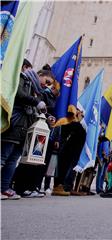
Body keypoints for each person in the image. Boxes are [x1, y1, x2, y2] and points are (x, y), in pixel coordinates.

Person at [1, 59, 47, 200]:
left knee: (12, 159)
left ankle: (4, 188)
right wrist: (36, 102)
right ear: (25, 68)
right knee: (3, 157)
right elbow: (19, 94)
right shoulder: (20, 79)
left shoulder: (33, 87)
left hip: (24, 127)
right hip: (15, 124)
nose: (45, 85)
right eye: (46, 81)